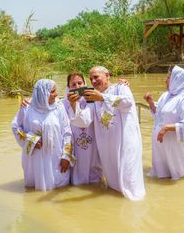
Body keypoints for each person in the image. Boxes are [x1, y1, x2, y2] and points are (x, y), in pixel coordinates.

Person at [68, 66, 146, 201]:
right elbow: (84, 121)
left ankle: (136, 211)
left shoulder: (120, 88)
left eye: (96, 77)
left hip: (125, 145)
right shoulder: (93, 98)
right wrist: (73, 104)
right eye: (91, 78)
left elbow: (128, 103)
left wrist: (102, 97)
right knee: (113, 186)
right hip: (107, 150)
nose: (93, 81)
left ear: (107, 75)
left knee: (130, 183)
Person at [12, 79, 75, 191]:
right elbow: (15, 127)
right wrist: (31, 140)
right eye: (52, 91)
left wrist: (66, 156)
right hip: (35, 157)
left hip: (56, 157)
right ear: (42, 93)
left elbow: (67, 132)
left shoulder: (58, 107)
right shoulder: (27, 107)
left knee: (59, 189)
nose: (56, 95)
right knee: (35, 189)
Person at [144, 65, 184, 180]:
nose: (166, 80)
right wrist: (150, 103)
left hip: (176, 146)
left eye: (169, 78)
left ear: (177, 80)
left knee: (178, 177)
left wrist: (166, 128)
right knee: (161, 175)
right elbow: (159, 114)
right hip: (161, 145)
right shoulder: (166, 95)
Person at [62, 71, 102, 185]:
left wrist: (121, 84)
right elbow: (47, 104)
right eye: (73, 85)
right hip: (75, 145)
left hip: (93, 145)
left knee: (95, 175)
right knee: (76, 174)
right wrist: (29, 101)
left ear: (85, 84)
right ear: (68, 87)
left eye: (80, 83)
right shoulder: (63, 104)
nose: (77, 87)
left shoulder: (94, 99)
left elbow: (109, 95)